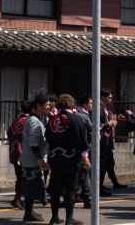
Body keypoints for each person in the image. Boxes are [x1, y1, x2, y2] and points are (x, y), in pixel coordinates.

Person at [45, 94, 89, 225]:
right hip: (71, 158)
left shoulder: (52, 120)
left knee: (55, 189)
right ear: (72, 105)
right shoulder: (75, 118)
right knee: (71, 189)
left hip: (55, 158)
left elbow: (47, 137)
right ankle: (69, 218)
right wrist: (85, 156)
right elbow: (81, 138)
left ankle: (54, 217)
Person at [21, 92, 50, 222]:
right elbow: (33, 143)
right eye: (47, 105)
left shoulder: (38, 119)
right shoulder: (33, 121)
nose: (49, 107)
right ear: (38, 106)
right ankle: (28, 213)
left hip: (32, 159)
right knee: (32, 186)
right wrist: (39, 159)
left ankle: (29, 212)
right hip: (32, 160)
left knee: (32, 187)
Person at [99, 88, 125, 196]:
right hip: (102, 140)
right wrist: (108, 124)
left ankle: (114, 182)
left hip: (107, 140)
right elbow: (99, 124)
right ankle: (99, 187)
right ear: (103, 97)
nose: (111, 100)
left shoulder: (104, 108)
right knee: (103, 163)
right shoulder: (99, 107)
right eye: (109, 98)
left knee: (109, 162)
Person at [8, 101, 31, 210]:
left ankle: (18, 199)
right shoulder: (30, 121)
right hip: (24, 154)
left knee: (19, 177)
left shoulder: (15, 121)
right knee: (24, 178)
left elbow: (9, 133)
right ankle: (17, 199)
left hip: (14, 152)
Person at [74, 95, 93, 208]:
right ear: (85, 104)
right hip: (84, 148)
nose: (92, 105)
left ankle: (77, 195)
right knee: (84, 173)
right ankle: (86, 197)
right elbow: (91, 130)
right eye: (90, 103)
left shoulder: (77, 115)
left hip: (75, 148)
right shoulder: (82, 116)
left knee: (79, 173)